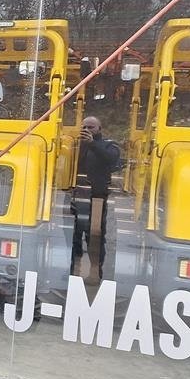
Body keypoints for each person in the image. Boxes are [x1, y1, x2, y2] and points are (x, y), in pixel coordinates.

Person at [71, 116, 121, 275]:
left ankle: (97, 269)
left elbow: (111, 159)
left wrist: (93, 143)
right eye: (84, 127)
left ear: (99, 129)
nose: (86, 130)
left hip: (98, 198)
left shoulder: (108, 145)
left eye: (91, 127)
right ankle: (74, 268)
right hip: (77, 195)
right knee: (74, 233)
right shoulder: (74, 145)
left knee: (96, 237)